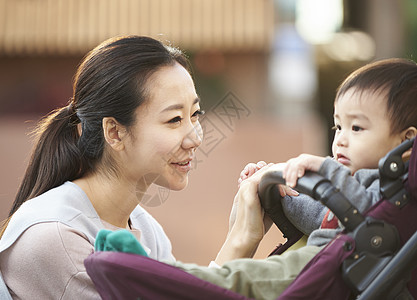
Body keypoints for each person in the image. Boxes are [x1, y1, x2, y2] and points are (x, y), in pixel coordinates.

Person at [0, 36, 271, 299]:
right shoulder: (56, 238)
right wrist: (241, 238)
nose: (195, 138)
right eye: (174, 120)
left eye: (196, 113)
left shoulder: (144, 229)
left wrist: (244, 231)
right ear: (114, 132)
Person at [98, 58, 417, 299]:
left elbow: (358, 213)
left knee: (247, 280)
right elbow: (321, 216)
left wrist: (323, 169)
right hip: (325, 262)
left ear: (406, 142)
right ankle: (153, 274)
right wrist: (277, 189)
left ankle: (157, 277)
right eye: (338, 127)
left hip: (332, 266)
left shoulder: (393, 192)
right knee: (246, 275)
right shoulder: (362, 181)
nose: (341, 140)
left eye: (357, 128)